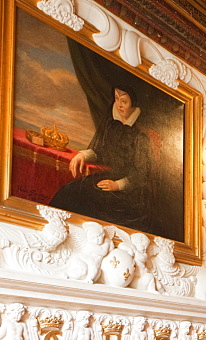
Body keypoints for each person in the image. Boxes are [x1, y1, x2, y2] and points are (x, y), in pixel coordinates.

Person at [50, 85, 155, 232]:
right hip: (109, 177)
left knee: (92, 199)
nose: (119, 105)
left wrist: (117, 185)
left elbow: (141, 174)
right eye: (117, 99)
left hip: (130, 191)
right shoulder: (112, 126)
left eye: (124, 101)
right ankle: (55, 229)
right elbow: (102, 152)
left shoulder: (141, 137)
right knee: (71, 190)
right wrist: (83, 155)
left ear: (133, 104)